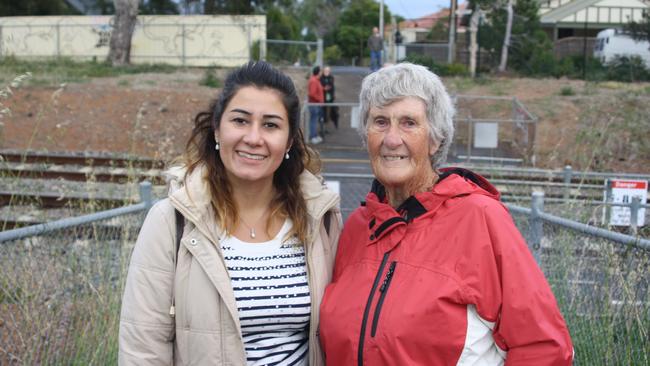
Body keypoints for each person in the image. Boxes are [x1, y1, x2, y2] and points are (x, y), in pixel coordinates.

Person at [319, 63, 573, 365]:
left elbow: (544, 347)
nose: (391, 138)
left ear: (435, 139)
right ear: (366, 134)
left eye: (409, 123)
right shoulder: (359, 228)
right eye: (380, 122)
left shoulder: (479, 218)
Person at [119, 61, 342, 365]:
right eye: (240, 120)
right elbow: (143, 348)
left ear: (289, 140)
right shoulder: (171, 222)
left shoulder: (320, 219)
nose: (253, 138)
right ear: (217, 128)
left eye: (271, 125)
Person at [308, 65, 324, 144]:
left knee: (314, 120)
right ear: (318, 72)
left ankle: (314, 135)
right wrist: (319, 100)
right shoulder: (314, 81)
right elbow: (312, 93)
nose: (322, 73)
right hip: (314, 104)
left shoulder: (316, 80)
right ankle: (312, 137)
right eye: (321, 71)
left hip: (315, 104)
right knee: (313, 121)